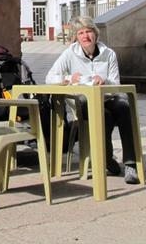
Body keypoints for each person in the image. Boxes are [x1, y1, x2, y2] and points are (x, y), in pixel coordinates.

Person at [45, 15, 139, 185]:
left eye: (88, 32)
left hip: (108, 97)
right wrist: (68, 78)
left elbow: (116, 84)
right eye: (81, 33)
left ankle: (130, 164)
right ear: (76, 37)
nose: (85, 36)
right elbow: (50, 77)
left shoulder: (109, 54)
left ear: (95, 34)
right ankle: (107, 159)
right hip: (84, 100)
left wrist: (104, 81)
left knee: (124, 107)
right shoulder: (70, 53)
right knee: (104, 115)